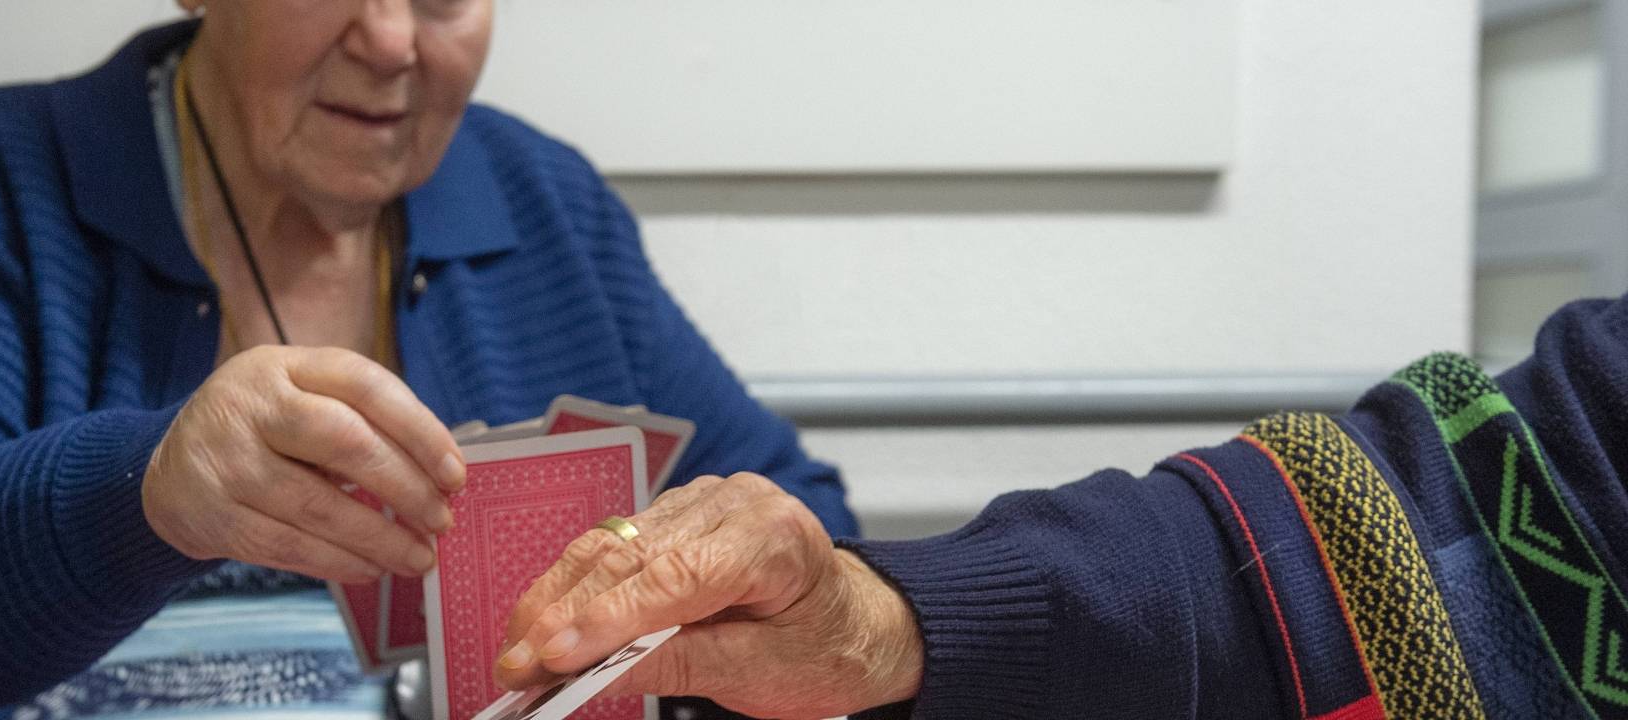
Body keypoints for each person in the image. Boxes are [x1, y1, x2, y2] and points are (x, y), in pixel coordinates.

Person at [0, 2, 855, 717]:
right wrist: (148, 492)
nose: (394, 38)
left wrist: (721, 581)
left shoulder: (542, 200)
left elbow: (800, 521)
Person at [495, 295, 1628, 720]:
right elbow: (1432, 513)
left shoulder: (546, 202)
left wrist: (870, 605)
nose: (393, 42)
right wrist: (888, 614)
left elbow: (794, 492)